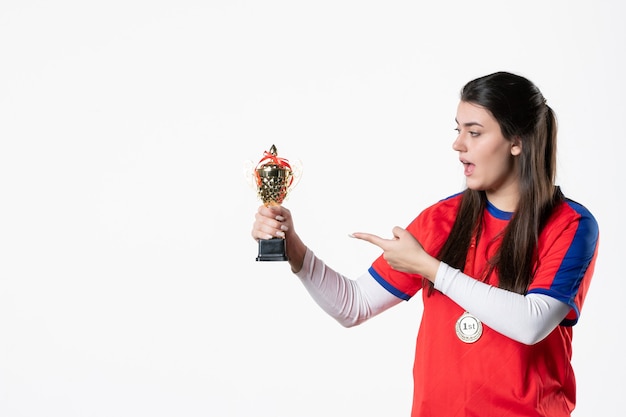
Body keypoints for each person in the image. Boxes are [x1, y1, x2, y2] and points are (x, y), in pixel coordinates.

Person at [250, 71, 599, 417]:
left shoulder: (570, 225)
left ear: (517, 141)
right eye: (458, 130)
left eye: (474, 133)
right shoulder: (441, 220)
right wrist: (292, 245)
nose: (458, 144)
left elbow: (531, 323)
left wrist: (430, 268)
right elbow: (352, 306)